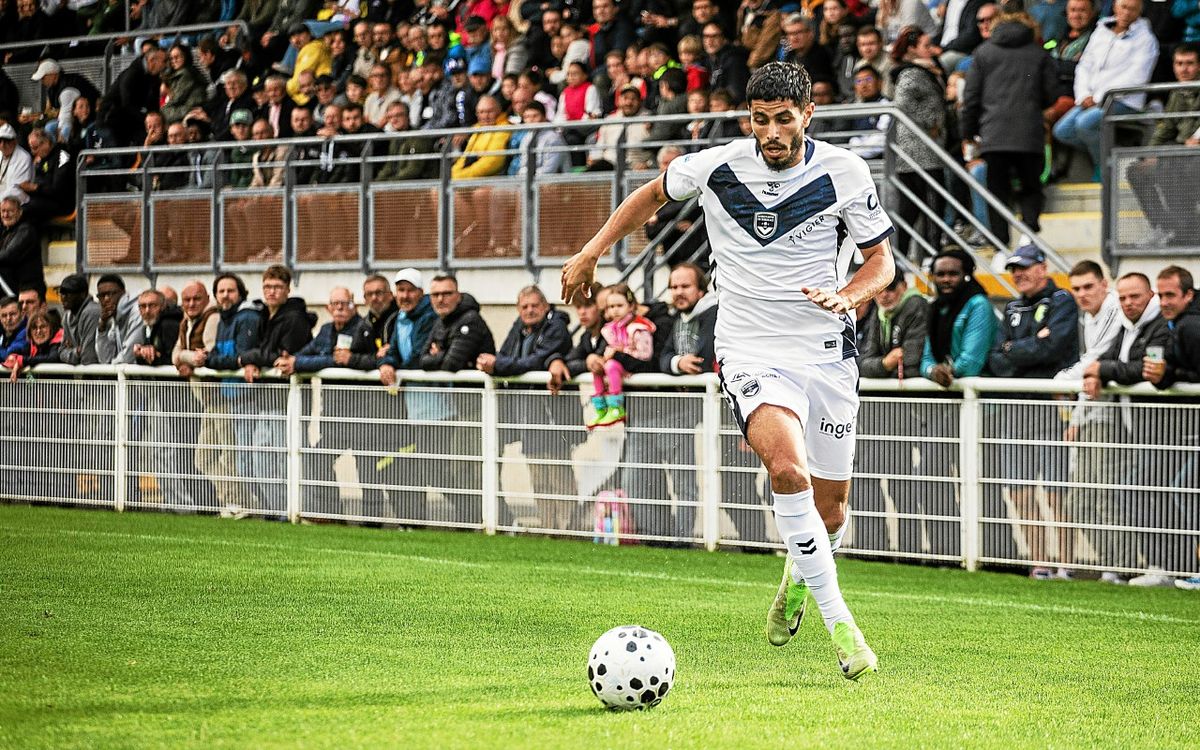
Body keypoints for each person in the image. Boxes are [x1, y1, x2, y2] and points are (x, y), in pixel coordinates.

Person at [562, 62, 894, 679]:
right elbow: (650, 194)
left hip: (826, 350)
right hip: (748, 348)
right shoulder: (717, 165)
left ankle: (800, 572)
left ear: (807, 116)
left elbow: (882, 262)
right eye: (760, 119)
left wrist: (851, 295)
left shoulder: (845, 172)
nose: (771, 132)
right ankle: (843, 627)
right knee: (786, 468)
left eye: (783, 119)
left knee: (833, 512)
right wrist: (591, 250)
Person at [986, 245, 1079, 578]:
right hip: (1016, 412)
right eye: (1013, 269)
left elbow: (1055, 347)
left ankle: (1065, 564)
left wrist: (1016, 350)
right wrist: (1028, 350)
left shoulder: (1061, 301)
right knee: (1020, 493)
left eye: (1024, 267)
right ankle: (1039, 563)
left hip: (1050, 411)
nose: (1018, 274)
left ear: (1043, 267)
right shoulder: (1011, 306)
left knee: (1056, 493)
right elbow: (995, 357)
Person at [1072, 272, 1168, 584]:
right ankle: (1117, 567)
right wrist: (1096, 373)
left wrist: (1101, 369)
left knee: (1141, 498)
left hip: (1157, 429)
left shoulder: (1158, 325)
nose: (1127, 303)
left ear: (1150, 295)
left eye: (1134, 296)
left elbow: (1142, 368)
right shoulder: (1127, 325)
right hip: (1127, 425)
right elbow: (1107, 362)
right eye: (1124, 297)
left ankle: (1142, 568)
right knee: (1091, 500)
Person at [477, 285, 574, 530]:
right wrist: (502, 363)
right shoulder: (519, 328)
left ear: (545, 306)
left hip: (552, 414)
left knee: (559, 476)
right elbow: (507, 356)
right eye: (524, 306)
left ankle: (567, 528)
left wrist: (500, 364)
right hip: (527, 414)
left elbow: (533, 361)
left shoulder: (556, 328)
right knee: (538, 477)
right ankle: (548, 527)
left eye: (534, 305)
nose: (530, 311)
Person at [276, 286, 377, 516]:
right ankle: (332, 513)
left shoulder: (364, 329)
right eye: (336, 303)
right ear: (328, 308)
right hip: (333, 415)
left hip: (362, 414)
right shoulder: (325, 330)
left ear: (355, 305)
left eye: (346, 303)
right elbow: (308, 354)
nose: (340, 308)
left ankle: (372, 519)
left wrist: (300, 364)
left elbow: (335, 361)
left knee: (367, 468)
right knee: (319, 459)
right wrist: (290, 360)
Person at [960, 11, 1057, 249]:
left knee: (997, 192)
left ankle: (1001, 245)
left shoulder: (983, 53)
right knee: (1031, 187)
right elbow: (1051, 93)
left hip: (994, 134)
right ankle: (1029, 233)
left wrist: (968, 132)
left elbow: (971, 97)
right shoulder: (1038, 53)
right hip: (1029, 133)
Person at [1051, 0, 1158, 179]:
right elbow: (1084, 66)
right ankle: (1114, 154)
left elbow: (1136, 77)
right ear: (1115, 7)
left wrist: (1100, 97)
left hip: (1124, 100)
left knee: (1084, 123)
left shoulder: (1146, 39)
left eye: (1132, 9)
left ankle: (1103, 167)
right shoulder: (1101, 31)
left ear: (1140, 11)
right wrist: (1084, 94)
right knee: (1062, 131)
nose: (1126, 13)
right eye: (1123, 7)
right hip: (1091, 99)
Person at [419, 274, 496, 525]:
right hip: (462, 408)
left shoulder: (470, 320)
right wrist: (440, 355)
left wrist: (439, 353)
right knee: (460, 468)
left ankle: (497, 521)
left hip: (481, 408)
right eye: (436, 295)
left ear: (458, 295)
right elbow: (423, 359)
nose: (441, 299)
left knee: (477, 469)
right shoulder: (441, 322)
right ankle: (476, 519)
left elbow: (450, 364)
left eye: (446, 293)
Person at [1124, 44, 1200, 248]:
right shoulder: (1177, 93)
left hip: (1194, 157)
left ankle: (1185, 230)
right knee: (1136, 170)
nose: (1183, 69)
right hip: (1182, 153)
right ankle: (1165, 226)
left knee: (1170, 166)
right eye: (1179, 63)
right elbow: (1165, 127)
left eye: (1190, 64)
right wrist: (1150, 153)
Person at [204, 273, 263, 517]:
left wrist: (219, 360)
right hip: (228, 395)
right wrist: (215, 360)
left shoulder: (246, 317)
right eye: (221, 291)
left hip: (245, 398)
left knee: (240, 457)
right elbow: (218, 357)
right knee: (214, 457)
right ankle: (237, 502)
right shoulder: (223, 320)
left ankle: (249, 505)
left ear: (240, 293)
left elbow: (243, 355)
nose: (225, 295)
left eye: (230, 291)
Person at [889, 26, 948, 261]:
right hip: (921, 152)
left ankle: (903, 257)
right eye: (926, 46)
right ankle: (928, 255)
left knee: (913, 210)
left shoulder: (922, 70)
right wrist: (930, 121)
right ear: (912, 49)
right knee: (929, 208)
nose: (931, 49)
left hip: (918, 151)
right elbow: (902, 103)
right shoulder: (912, 74)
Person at [920, 249, 995, 386]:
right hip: (947, 392)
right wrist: (933, 371)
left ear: (966, 275)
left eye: (953, 274)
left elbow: (971, 363)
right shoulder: (935, 307)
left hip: (979, 394)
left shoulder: (978, 305)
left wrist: (945, 372)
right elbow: (926, 359)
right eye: (940, 274)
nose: (946, 279)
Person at [588, 283, 657, 429]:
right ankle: (601, 408)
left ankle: (616, 407)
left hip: (632, 369)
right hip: (619, 369)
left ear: (631, 306)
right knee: (598, 368)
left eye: (620, 305)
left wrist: (620, 353)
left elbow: (645, 355)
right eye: (611, 307)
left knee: (611, 365)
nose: (615, 310)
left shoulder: (638, 328)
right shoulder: (610, 329)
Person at [94, 274, 143, 365]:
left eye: (111, 294)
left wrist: (111, 365)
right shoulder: (113, 317)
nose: (106, 299)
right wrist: (102, 327)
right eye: (101, 295)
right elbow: (104, 358)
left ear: (124, 293)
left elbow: (129, 355)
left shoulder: (137, 311)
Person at [0, 197, 43, 298]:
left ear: (20, 212)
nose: (6, 215)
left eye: (10, 211)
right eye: (3, 211)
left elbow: (8, 255)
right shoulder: (5, 230)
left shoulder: (26, 230)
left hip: (27, 288)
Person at [57, 274, 100, 365]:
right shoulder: (67, 317)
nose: (63, 297)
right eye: (61, 293)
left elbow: (88, 357)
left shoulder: (91, 312)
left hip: (100, 376)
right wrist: (76, 352)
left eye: (68, 293)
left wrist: (71, 352)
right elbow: (61, 352)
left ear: (83, 294)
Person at [0, 123, 34, 206]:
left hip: (15, 200)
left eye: (6, 141)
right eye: (0, 141)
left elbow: (17, 189)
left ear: (14, 142)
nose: (2, 145)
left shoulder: (24, 157)